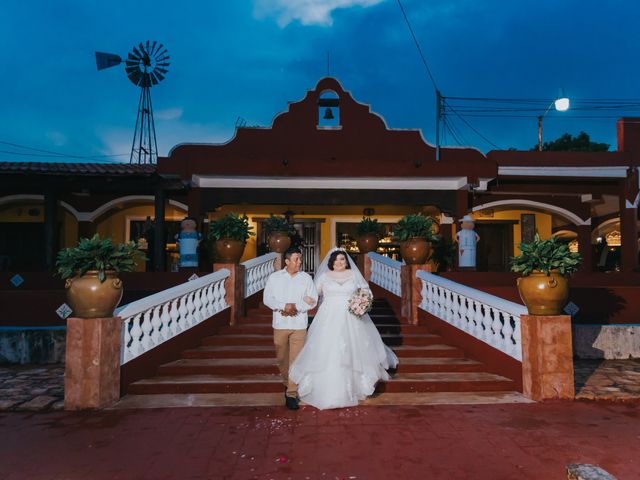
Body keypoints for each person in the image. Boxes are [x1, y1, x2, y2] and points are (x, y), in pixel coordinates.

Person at [290, 248, 399, 410]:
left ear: (346, 261)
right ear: (331, 262)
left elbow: (366, 292)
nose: (339, 262)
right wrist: (304, 297)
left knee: (353, 348)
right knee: (329, 349)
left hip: (351, 316)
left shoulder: (354, 275)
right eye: (336, 260)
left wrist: (362, 303)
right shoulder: (324, 277)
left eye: (342, 259)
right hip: (328, 317)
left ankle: (356, 386)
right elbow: (313, 295)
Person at [263, 247, 318, 410]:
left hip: (299, 325)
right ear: (287, 261)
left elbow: (313, 300)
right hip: (280, 324)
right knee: (281, 358)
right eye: (296, 259)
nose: (300, 262)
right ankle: (288, 383)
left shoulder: (306, 278)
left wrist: (295, 307)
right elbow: (267, 299)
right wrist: (283, 306)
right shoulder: (274, 278)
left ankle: (291, 394)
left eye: (300, 259)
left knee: (296, 359)